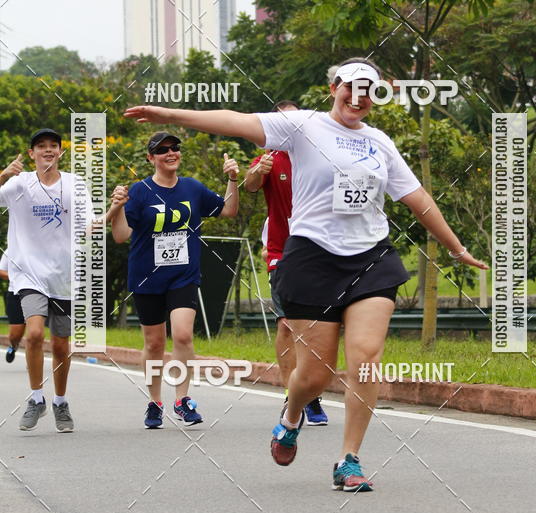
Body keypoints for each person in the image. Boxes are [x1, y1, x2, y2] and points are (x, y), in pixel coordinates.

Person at [124, 59, 488, 491]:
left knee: (366, 359)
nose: (358, 98)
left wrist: (456, 247)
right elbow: (236, 122)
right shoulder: (302, 126)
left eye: (368, 91)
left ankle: (348, 459)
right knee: (314, 375)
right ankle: (292, 415)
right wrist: (170, 114)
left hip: (370, 258)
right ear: (333, 87)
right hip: (312, 258)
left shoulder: (380, 144)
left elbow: (417, 197)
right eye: (350, 88)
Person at [109, 131, 239, 429]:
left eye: (175, 148)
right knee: (154, 344)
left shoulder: (193, 188)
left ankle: (182, 399)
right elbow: (120, 235)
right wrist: (116, 207)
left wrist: (232, 179)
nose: (171, 153)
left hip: (184, 275)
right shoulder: (140, 192)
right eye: (163, 149)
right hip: (146, 278)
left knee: (182, 335)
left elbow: (229, 210)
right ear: (150, 157)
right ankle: (155, 403)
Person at [0, 130, 91, 432]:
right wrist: (3, 175)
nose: (48, 150)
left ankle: (60, 402)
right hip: (28, 274)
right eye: (42, 147)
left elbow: (89, 223)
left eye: (53, 146)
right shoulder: (19, 183)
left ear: (61, 153)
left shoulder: (75, 184)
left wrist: (112, 212)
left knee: (62, 346)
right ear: (31, 154)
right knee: (35, 333)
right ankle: (36, 397)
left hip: (65, 277)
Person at [245, 100, 328, 426]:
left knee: (316, 327)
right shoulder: (269, 158)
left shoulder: (320, 156)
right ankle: (291, 395)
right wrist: (255, 172)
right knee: (286, 324)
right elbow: (251, 186)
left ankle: (312, 394)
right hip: (282, 252)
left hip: (322, 251)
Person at [0, 252, 26, 363]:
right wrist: (16, 277)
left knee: (36, 333)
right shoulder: (10, 250)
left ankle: (33, 360)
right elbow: (1, 271)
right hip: (15, 294)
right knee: (15, 334)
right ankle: (13, 346)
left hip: (38, 294)